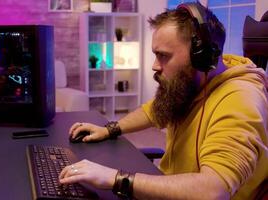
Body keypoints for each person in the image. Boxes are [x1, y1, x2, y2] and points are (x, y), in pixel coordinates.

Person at [59, 2, 268, 200]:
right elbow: (154, 110)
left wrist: (116, 179)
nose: (154, 65)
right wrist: (110, 129)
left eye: (163, 56)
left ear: (200, 57)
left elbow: (213, 191)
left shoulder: (241, 100)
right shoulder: (195, 82)